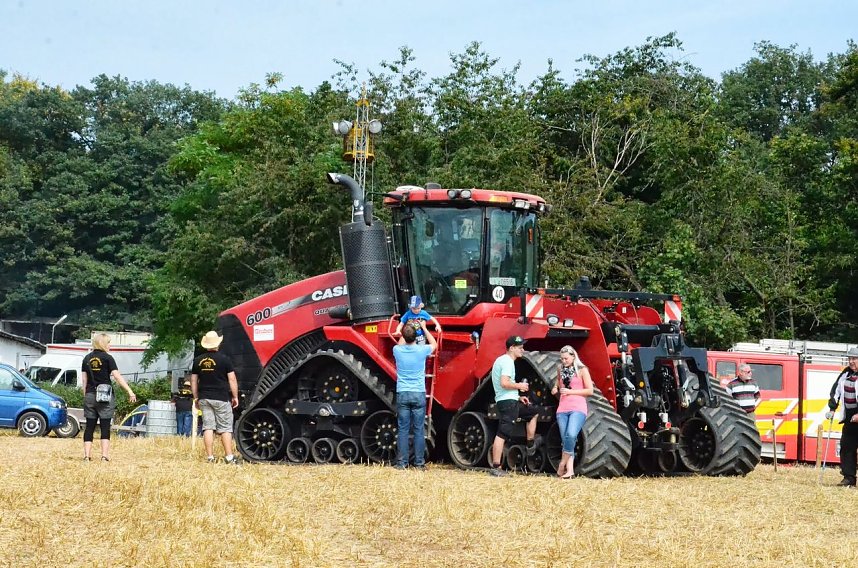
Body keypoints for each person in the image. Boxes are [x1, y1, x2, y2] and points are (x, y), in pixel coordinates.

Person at [489, 335, 541, 477]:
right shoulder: (507, 362)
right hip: (508, 402)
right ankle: (496, 467)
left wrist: (519, 397)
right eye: (520, 347)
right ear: (511, 348)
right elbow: (504, 383)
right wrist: (520, 386)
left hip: (509, 400)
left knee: (533, 412)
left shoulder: (500, 360)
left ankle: (530, 444)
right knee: (502, 433)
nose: (522, 350)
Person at [81, 333, 137, 462]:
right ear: (103, 344)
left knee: (89, 426)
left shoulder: (86, 358)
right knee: (105, 426)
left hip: (90, 395)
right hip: (105, 396)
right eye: (108, 343)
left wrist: (86, 394)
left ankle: (87, 456)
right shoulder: (108, 358)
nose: (110, 345)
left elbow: (84, 380)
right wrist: (130, 391)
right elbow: (117, 376)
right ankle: (104, 456)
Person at [392, 321, 437, 470]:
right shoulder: (421, 350)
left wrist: (407, 325)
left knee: (403, 429)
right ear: (416, 336)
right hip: (418, 393)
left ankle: (402, 463)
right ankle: (419, 463)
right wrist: (423, 328)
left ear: (404, 336)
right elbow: (434, 344)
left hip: (403, 392)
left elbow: (401, 342)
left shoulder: (397, 350)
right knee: (418, 430)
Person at [190, 331, 240, 464]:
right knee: (225, 428)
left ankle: (210, 457)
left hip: (204, 398)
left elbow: (193, 380)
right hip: (221, 397)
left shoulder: (198, 360)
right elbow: (232, 379)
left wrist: (196, 397)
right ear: (218, 344)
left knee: (208, 427)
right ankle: (229, 457)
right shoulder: (225, 359)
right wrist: (235, 396)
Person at [550, 345, 593, 478]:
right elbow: (558, 382)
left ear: (573, 357)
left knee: (571, 435)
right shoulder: (560, 369)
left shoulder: (582, 370)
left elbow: (590, 391)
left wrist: (571, 392)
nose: (564, 361)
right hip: (562, 408)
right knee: (566, 440)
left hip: (578, 408)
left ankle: (562, 464)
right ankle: (570, 471)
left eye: (566, 358)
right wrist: (555, 387)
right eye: (562, 359)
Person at [825, 346, 858, 487]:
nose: (851, 361)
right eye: (850, 358)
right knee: (846, 446)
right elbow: (836, 391)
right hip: (850, 416)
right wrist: (832, 409)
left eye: (854, 358)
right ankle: (849, 478)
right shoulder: (845, 373)